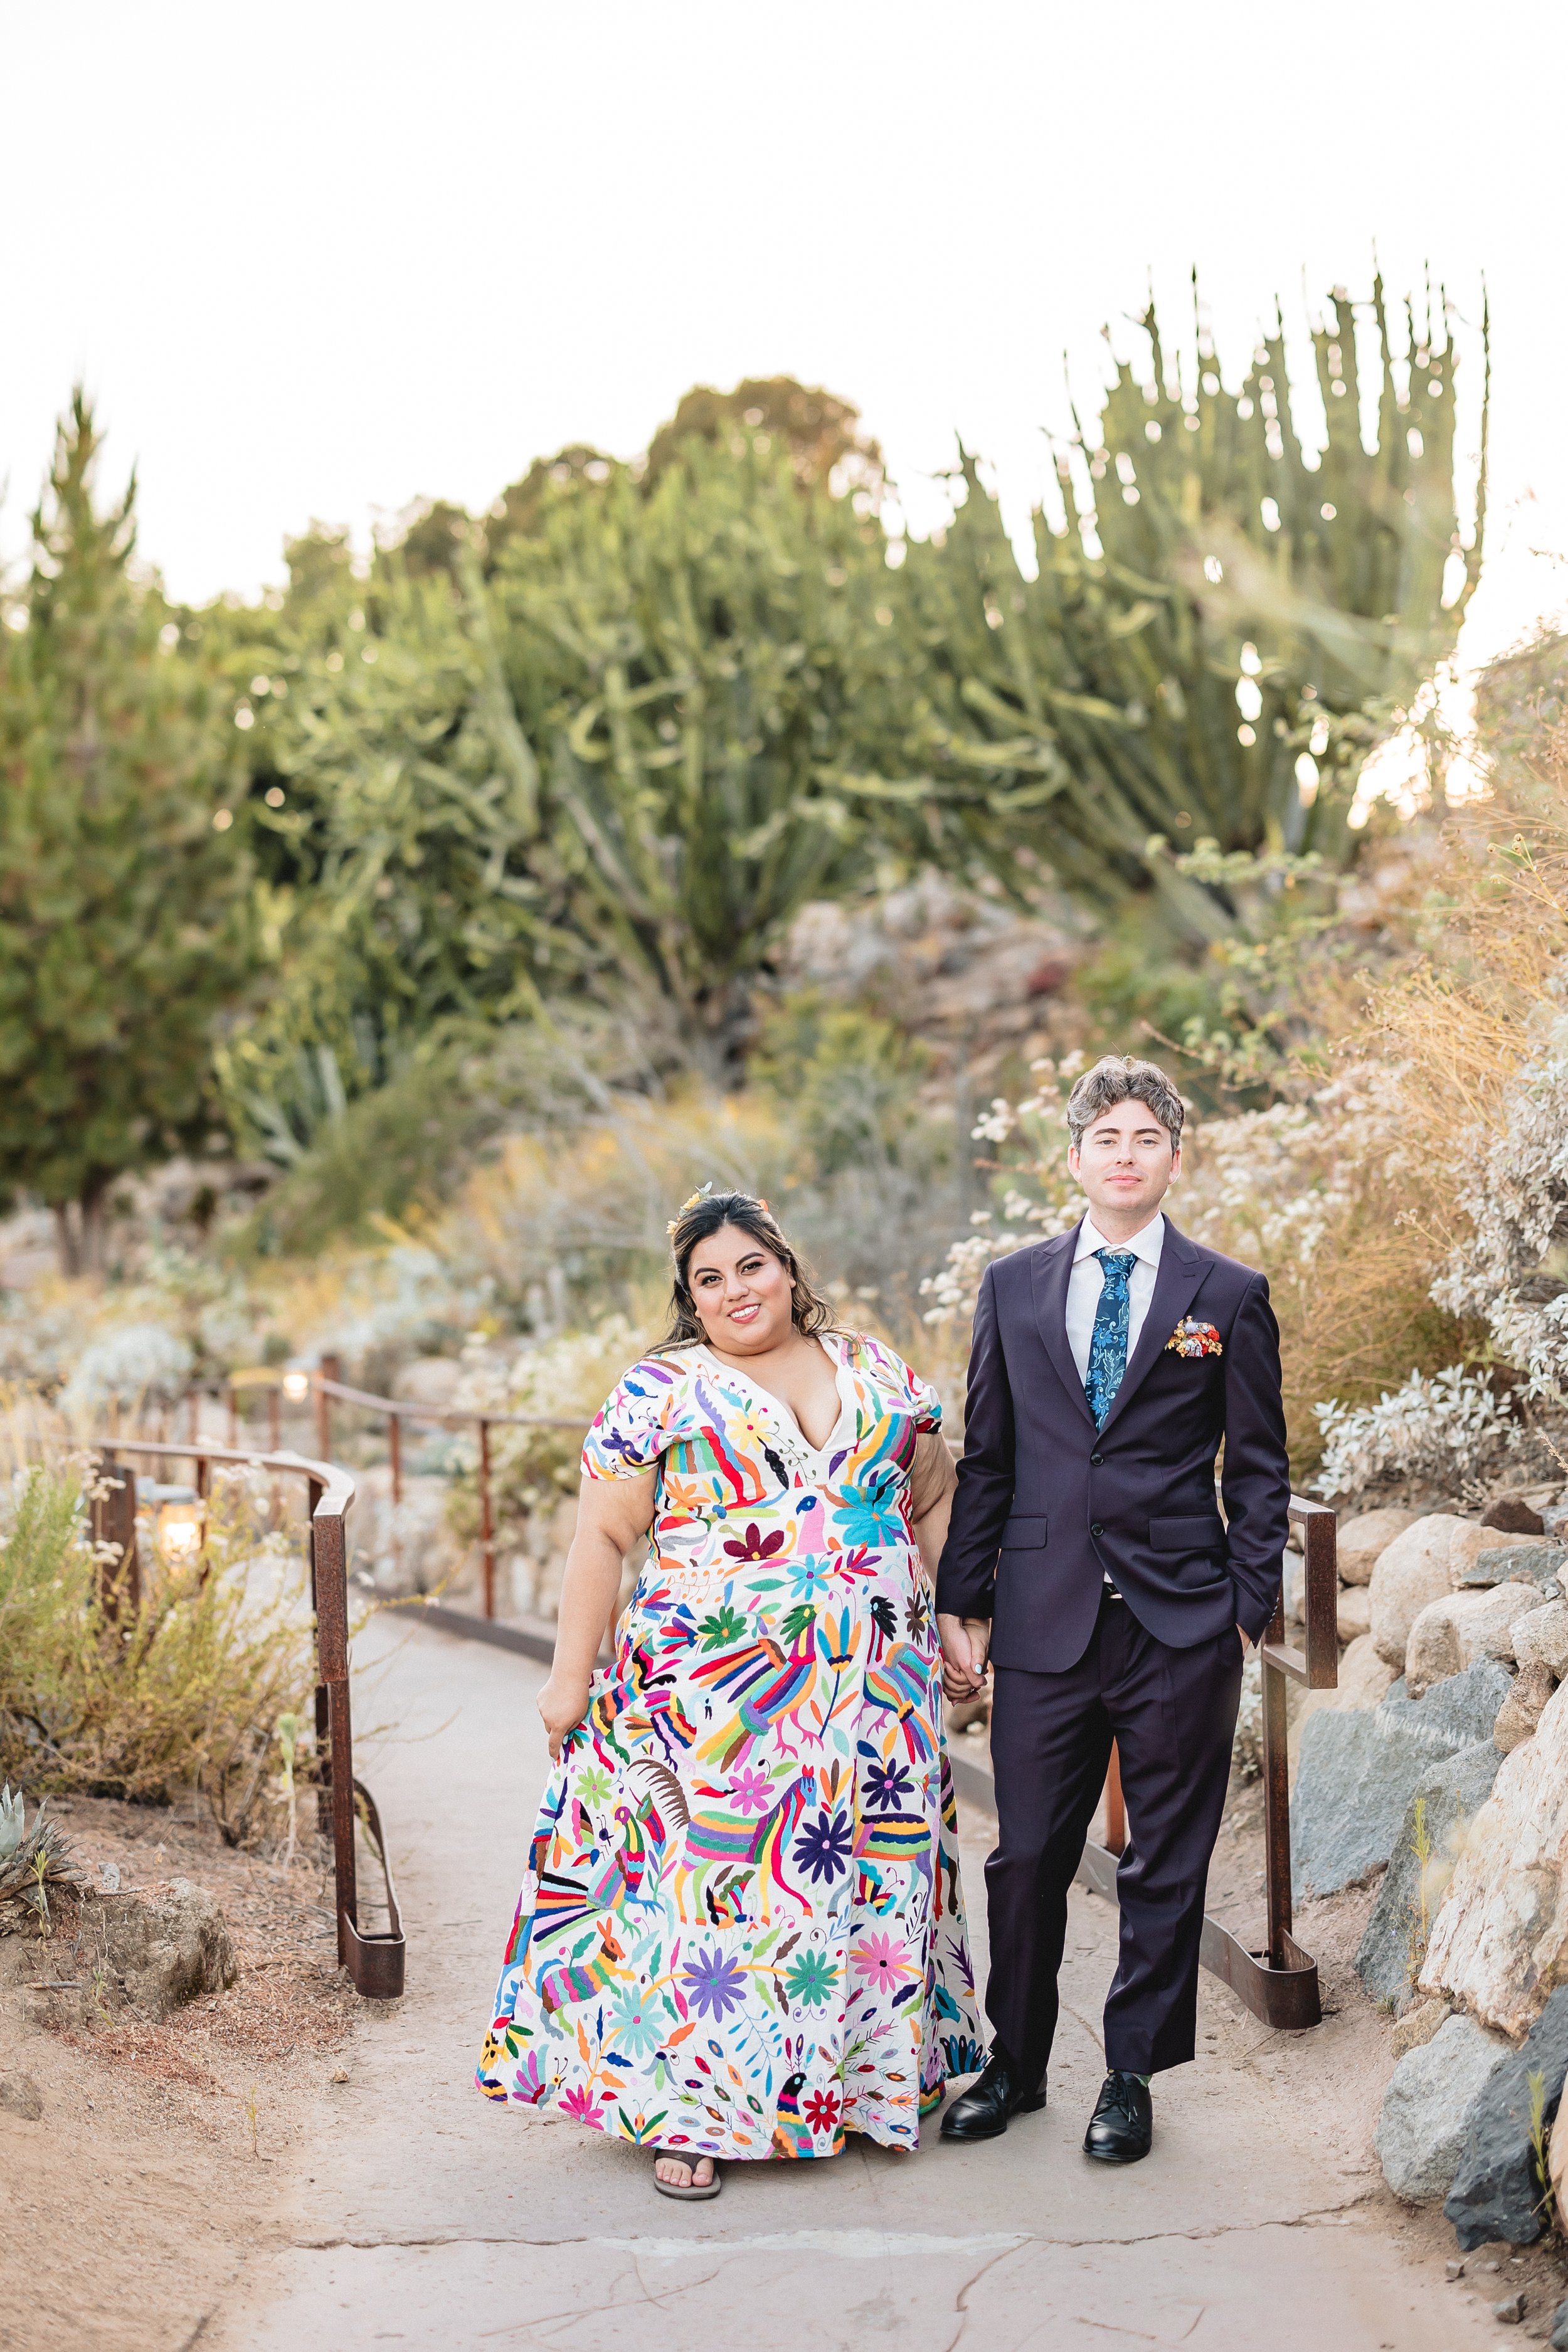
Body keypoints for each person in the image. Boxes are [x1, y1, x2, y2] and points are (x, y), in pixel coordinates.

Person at [477, 1187, 985, 2198]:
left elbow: (934, 1494)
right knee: (715, 1896)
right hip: (710, 1703)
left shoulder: (878, 1370)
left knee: (862, 1885)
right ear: (691, 1297)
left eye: (751, 1265)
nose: (735, 1290)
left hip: (874, 1695)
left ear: (787, 1267)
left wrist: (962, 1616)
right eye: (708, 1279)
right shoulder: (661, 1389)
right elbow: (603, 1535)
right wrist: (569, 1678)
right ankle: (694, 2112)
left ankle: (851, 2087)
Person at [935, 1055, 1290, 2165]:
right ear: (1075, 1158)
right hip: (1044, 1617)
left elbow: (1260, 1468)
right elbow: (988, 1456)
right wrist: (964, 1598)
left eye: (1146, 1137)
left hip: (1182, 1621)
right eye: (1107, 1138)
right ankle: (1017, 2061)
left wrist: (1246, 1605)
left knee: (1165, 1861)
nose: (1126, 1155)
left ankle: (1130, 2073)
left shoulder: (1227, 1294)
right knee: (1026, 1855)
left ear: (1175, 1156)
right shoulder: (1012, 1285)